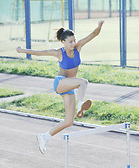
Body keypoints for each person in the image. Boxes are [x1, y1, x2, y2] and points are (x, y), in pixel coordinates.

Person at [16, 21, 104, 154]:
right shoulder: (59, 53)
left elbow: (93, 34)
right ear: (63, 42)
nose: (73, 43)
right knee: (83, 82)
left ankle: (44, 136)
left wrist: (99, 27)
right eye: (70, 42)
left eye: (74, 41)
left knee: (69, 121)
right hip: (60, 82)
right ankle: (81, 105)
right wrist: (22, 50)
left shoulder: (78, 48)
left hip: (69, 86)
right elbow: (39, 53)